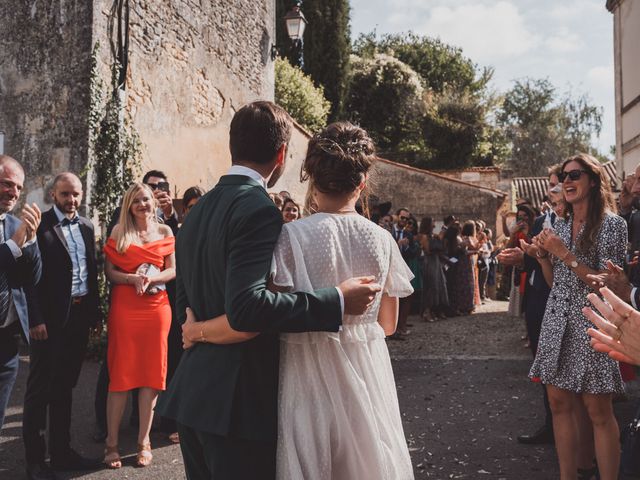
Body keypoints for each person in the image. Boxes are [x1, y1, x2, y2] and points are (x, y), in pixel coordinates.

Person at [155, 101, 381, 480]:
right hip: (238, 404)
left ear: (233, 145)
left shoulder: (198, 210)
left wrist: (195, 330)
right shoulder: (257, 207)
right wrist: (337, 299)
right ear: (281, 154)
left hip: (194, 396)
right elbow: (248, 307)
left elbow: (186, 303)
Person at [527, 153, 626, 480]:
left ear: (594, 181)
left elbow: (609, 284)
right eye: (563, 176)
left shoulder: (613, 224)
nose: (566, 182)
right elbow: (557, 282)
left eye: (574, 175)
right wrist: (543, 257)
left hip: (592, 320)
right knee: (558, 404)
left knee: (598, 410)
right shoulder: (557, 223)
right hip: (557, 319)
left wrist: (563, 254)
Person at [22, 173, 101, 480]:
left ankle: (62, 452)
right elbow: (28, 277)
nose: (72, 200)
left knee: (65, 387)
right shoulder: (38, 226)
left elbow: (90, 272)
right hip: (48, 322)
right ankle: (34, 461)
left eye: (76, 194)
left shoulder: (86, 225)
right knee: (39, 389)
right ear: (53, 194)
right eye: (65, 194)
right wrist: (35, 318)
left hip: (78, 319)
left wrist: (94, 314)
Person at [102, 182, 176, 468]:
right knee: (120, 374)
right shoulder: (120, 232)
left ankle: (143, 441)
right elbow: (110, 271)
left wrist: (153, 279)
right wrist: (132, 279)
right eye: (136, 202)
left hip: (157, 308)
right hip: (126, 306)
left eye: (146, 199)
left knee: (151, 375)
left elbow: (172, 269)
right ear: (129, 207)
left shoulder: (166, 231)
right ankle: (111, 443)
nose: (143, 205)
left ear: (153, 202)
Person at [0, 155, 42, 433]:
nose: (13, 192)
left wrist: (33, 240)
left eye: (18, 187)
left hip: (7, 338)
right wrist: (17, 243)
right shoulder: (16, 232)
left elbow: (33, 278)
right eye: (6, 184)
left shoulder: (16, 225)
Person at [391, 208, 419, 337]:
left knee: (406, 297)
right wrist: (397, 244)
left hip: (403, 269)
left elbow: (414, 253)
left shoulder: (408, 234)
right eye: (402, 218)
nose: (404, 221)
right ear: (397, 217)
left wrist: (406, 246)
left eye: (407, 219)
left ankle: (401, 326)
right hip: (391, 270)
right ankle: (391, 328)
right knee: (392, 298)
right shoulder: (388, 231)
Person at [418, 217, 449, 321]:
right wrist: (437, 244)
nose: (434, 225)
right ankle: (427, 312)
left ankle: (435, 310)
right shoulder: (424, 236)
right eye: (432, 223)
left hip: (436, 262)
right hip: (429, 262)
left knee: (440, 285)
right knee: (431, 287)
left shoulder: (433, 236)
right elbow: (428, 250)